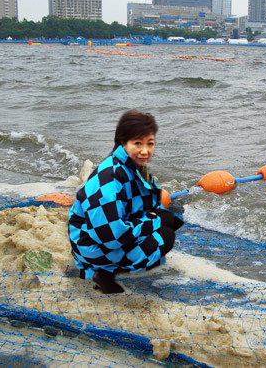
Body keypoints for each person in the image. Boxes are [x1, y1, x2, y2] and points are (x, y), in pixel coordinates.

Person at [68, 111, 183, 294]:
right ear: (123, 142)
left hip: (107, 234)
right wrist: (153, 222)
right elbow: (113, 236)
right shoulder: (109, 178)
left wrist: (158, 216)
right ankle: (103, 272)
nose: (145, 151)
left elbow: (148, 201)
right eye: (138, 143)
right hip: (93, 246)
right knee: (166, 235)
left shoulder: (131, 166)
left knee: (169, 219)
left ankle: (114, 266)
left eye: (150, 143)